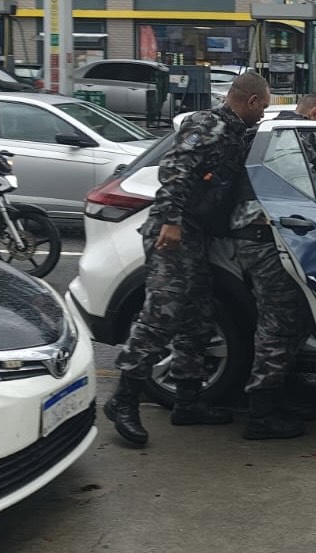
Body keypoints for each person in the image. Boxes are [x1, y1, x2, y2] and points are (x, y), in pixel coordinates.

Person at [104, 72, 271, 446]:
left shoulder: (236, 132)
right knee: (161, 317)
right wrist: (171, 221)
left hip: (198, 237)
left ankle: (187, 401)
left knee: (196, 318)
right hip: (173, 236)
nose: (264, 114)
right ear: (253, 101)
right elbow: (174, 172)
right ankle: (124, 400)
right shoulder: (207, 125)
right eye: (264, 106)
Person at [220, 92, 316, 440]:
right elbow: (289, 181)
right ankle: (261, 413)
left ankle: (280, 396)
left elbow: (300, 182)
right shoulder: (288, 135)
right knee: (278, 323)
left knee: (294, 320)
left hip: (274, 236)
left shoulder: (289, 133)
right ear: (314, 113)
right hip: (262, 238)